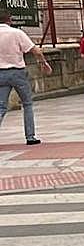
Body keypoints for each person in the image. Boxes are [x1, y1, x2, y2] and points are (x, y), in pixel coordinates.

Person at [0, 8, 52, 145]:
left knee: (1, 107)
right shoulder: (17, 33)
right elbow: (35, 50)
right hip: (18, 71)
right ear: (9, 19)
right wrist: (44, 63)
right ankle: (30, 136)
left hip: (1, 73)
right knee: (27, 104)